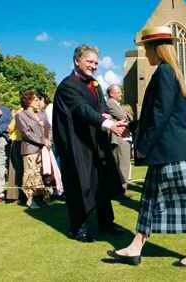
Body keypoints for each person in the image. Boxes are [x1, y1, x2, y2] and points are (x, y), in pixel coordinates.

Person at [108, 27, 186, 267]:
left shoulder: (164, 72)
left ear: (155, 48)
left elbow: (161, 115)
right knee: (150, 201)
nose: (146, 52)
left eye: (146, 48)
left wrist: (142, 146)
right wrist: (133, 126)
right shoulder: (167, 72)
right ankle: (135, 246)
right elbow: (158, 114)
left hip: (171, 152)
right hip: (168, 151)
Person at [53, 45, 126, 242]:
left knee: (102, 181)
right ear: (77, 61)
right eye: (89, 61)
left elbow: (100, 106)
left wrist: (108, 117)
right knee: (80, 183)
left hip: (96, 143)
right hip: (76, 144)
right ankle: (78, 227)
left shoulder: (95, 84)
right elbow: (81, 109)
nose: (94, 66)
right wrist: (107, 123)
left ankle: (106, 222)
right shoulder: (67, 86)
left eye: (96, 62)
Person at [15, 91, 52, 209]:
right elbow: (26, 133)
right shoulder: (21, 115)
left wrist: (48, 140)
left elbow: (49, 128)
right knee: (31, 175)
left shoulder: (42, 114)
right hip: (30, 149)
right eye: (35, 100)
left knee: (44, 173)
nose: (38, 102)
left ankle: (45, 198)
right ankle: (30, 201)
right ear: (28, 101)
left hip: (44, 150)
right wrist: (42, 141)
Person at [106, 84, 133, 194]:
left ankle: (119, 189)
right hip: (119, 138)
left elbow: (129, 117)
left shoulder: (117, 104)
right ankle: (122, 190)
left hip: (122, 138)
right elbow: (124, 117)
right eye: (118, 92)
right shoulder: (111, 103)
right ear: (111, 94)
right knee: (123, 165)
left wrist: (127, 116)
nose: (121, 94)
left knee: (122, 164)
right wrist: (126, 115)